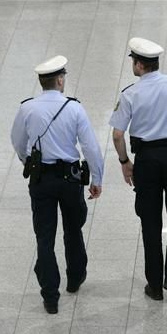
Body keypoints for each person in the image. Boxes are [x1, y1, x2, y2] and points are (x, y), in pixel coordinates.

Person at [11, 55, 104, 314]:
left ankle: (50, 296)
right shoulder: (74, 108)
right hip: (70, 180)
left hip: (41, 180)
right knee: (73, 229)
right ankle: (75, 278)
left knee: (44, 237)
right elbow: (90, 147)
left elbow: (17, 141)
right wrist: (96, 178)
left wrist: (28, 162)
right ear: (60, 80)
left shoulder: (27, 108)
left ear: (42, 82)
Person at [109, 37, 167, 301]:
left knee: (150, 221)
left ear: (138, 65)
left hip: (147, 160)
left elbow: (117, 135)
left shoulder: (130, 94)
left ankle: (155, 285)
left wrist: (125, 163)